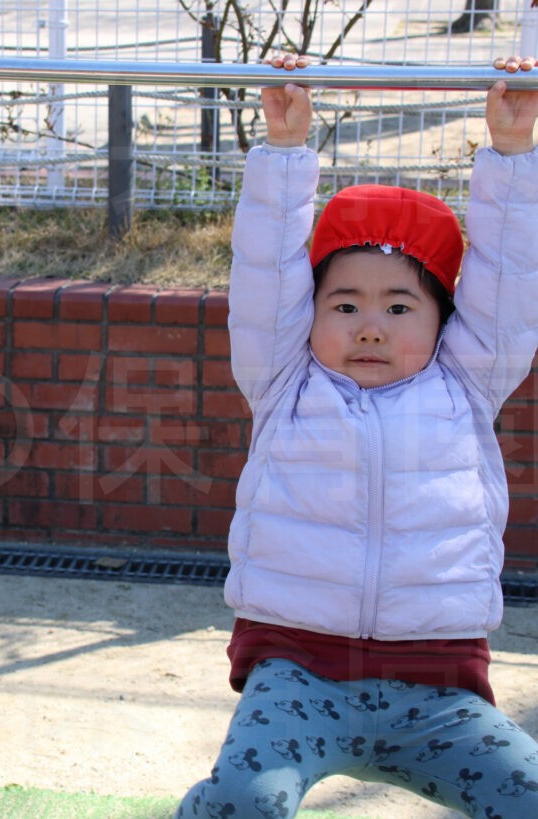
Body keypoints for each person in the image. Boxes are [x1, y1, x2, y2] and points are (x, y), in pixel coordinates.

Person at [176, 55, 538, 818]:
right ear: (310, 314)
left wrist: (512, 153)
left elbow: (508, 277)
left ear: (444, 321)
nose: (370, 326)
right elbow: (265, 271)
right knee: (243, 799)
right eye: (344, 305)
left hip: (439, 689)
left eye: (399, 308)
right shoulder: (283, 380)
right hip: (296, 674)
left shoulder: (467, 384)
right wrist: (284, 150)